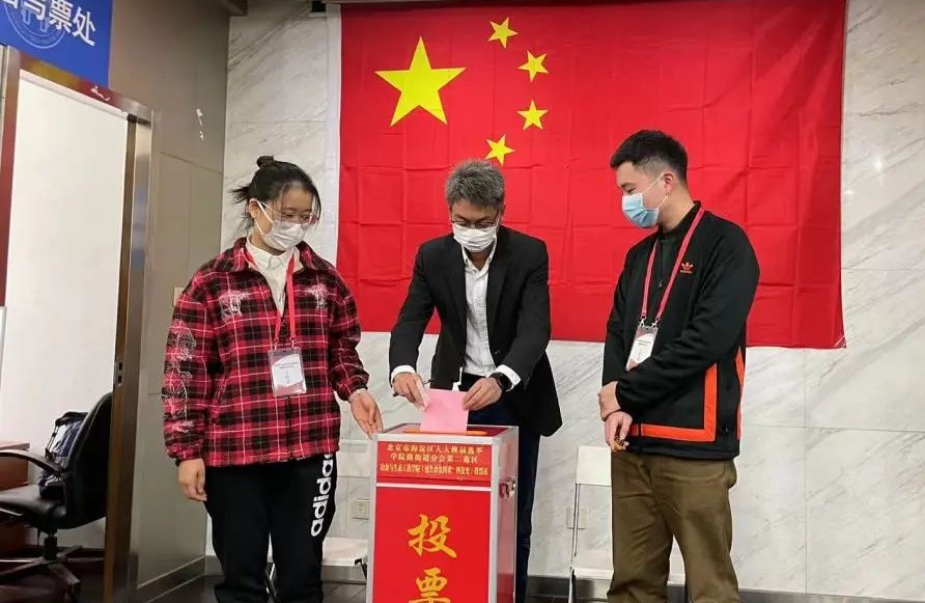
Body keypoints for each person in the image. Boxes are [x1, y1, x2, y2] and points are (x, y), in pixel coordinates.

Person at [162, 156, 382, 603]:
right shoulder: (212, 282)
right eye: (286, 215)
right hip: (236, 450)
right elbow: (185, 371)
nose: (295, 226)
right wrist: (187, 452)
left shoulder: (325, 280)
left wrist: (355, 389)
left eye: (305, 217)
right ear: (256, 209)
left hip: (309, 448)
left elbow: (341, 348)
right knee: (241, 577)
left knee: (302, 577)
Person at [597, 130, 760, 603]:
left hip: (695, 449)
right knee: (631, 585)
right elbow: (618, 331)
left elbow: (707, 340)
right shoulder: (639, 256)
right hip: (633, 445)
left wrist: (626, 392)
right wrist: (614, 403)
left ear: (665, 181)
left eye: (630, 190)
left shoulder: (726, 245)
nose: (626, 202)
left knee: (710, 586)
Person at [389, 159, 560, 603]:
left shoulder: (529, 253)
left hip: (515, 395)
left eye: (482, 223)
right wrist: (402, 367)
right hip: (456, 396)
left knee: (513, 516)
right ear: (449, 212)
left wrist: (502, 378)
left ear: (501, 211)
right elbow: (411, 317)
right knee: (451, 510)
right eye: (462, 221)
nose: (472, 231)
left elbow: (535, 329)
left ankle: (510, 595)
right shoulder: (433, 255)